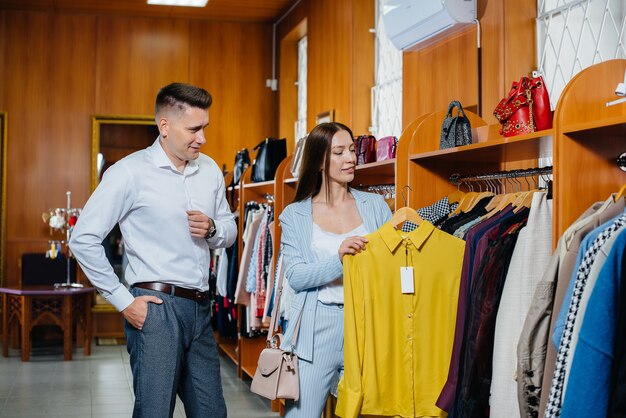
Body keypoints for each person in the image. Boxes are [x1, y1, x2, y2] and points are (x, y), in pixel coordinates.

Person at [70, 82, 237, 418]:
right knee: (155, 412)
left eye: (205, 128)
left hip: (201, 310)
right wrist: (123, 301)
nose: (202, 138)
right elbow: (82, 238)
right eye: (194, 129)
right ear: (164, 126)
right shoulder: (129, 173)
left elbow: (230, 231)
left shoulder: (210, 172)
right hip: (155, 308)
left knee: (212, 412)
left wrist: (215, 229)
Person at [278, 122, 392, 417]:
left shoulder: (376, 205)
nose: (350, 158)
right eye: (339, 152)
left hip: (368, 326)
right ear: (319, 161)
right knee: (302, 414)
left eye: (352, 150)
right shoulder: (295, 215)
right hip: (317, 331)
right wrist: (339, 258)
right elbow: (296, 276)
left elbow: (390, 266)